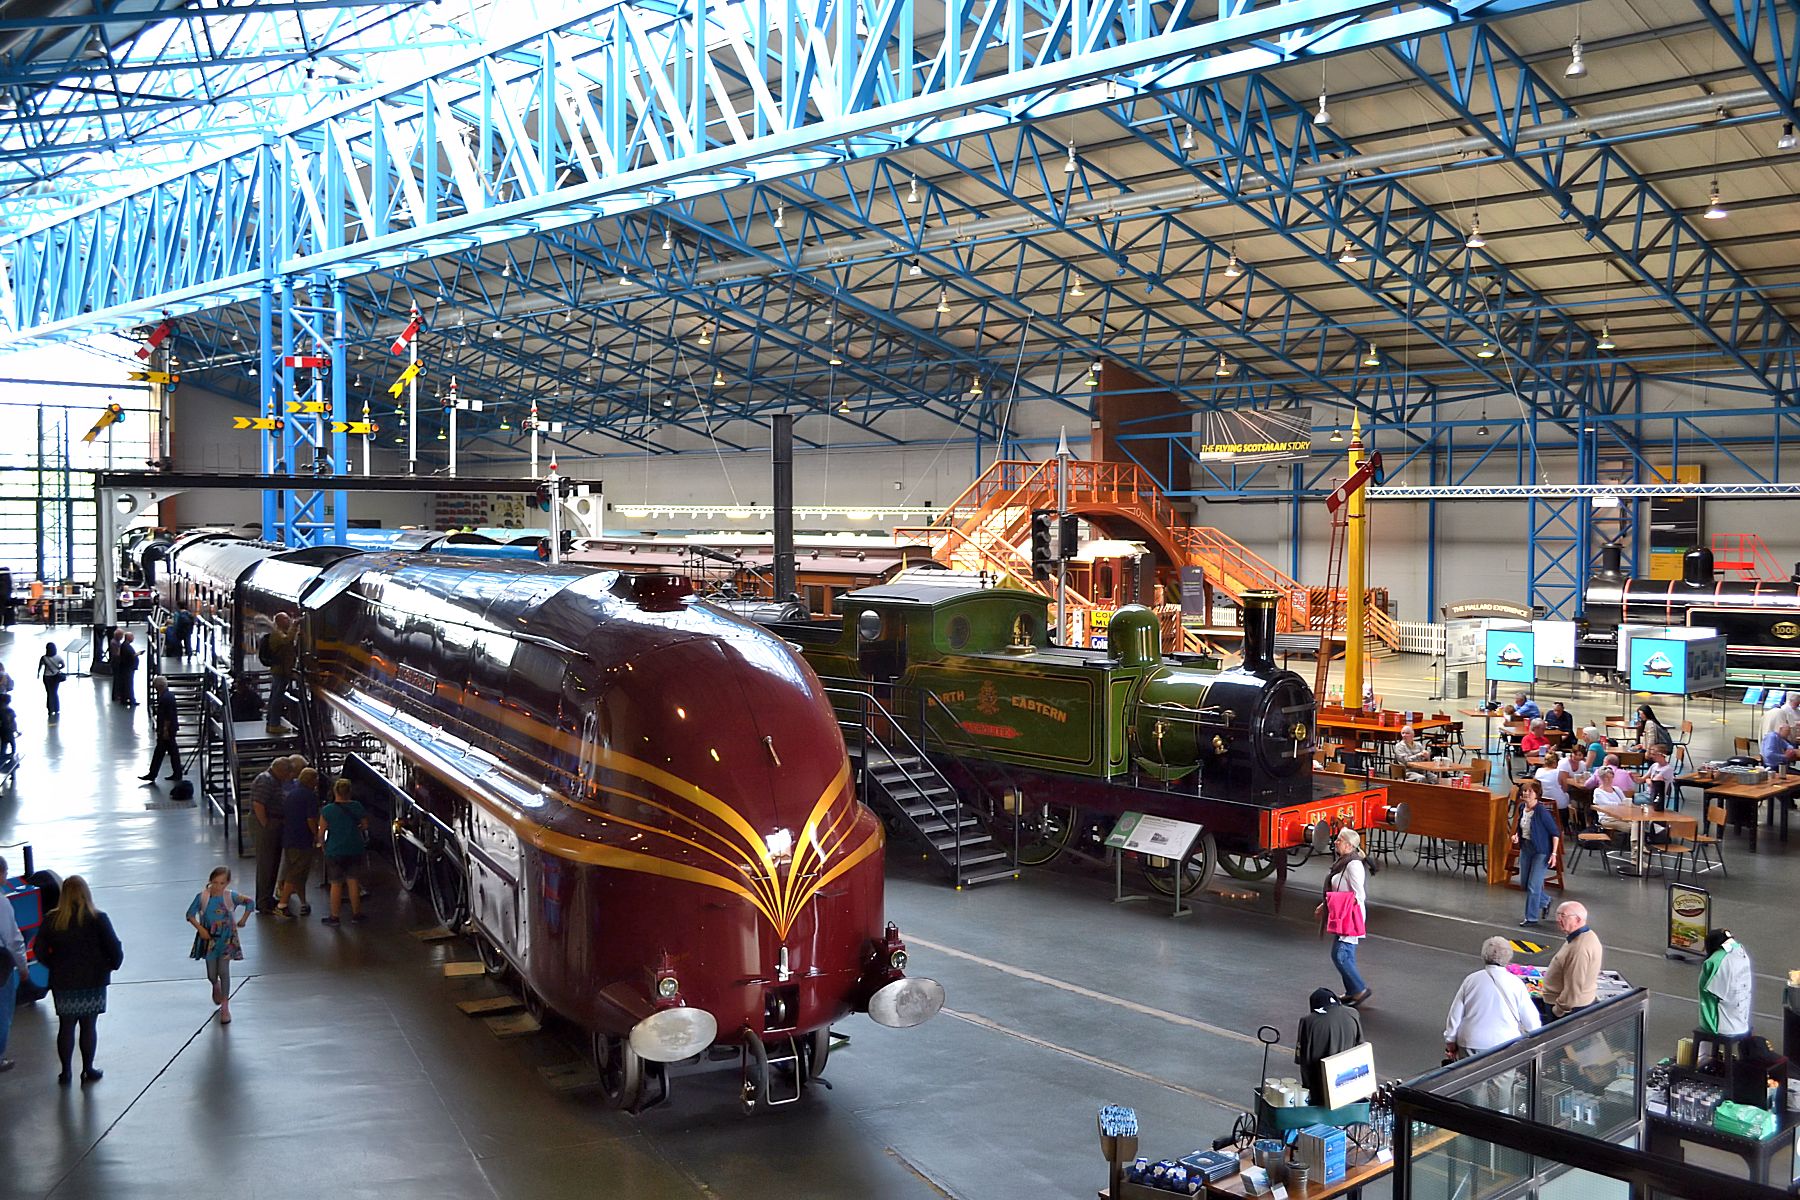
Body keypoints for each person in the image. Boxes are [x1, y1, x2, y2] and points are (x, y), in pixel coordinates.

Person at [33, 875, 124, 1085]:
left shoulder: (52, 920)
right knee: (88, 1025)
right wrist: (109, 966)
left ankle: (65, 1072)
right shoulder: (98, 918)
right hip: (93, 981)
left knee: (66, 1025)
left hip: (63, 981)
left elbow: (38, 950)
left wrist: (53, 965)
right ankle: (87, 1069)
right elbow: (114, 948)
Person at [1443, 937, 1541, 1060]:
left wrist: (1450, 1041)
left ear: (1484, 955)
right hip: (1506, 1044)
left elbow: (1455, 1015)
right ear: (1509, 957)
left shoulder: (1471, 980)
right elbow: (1532, 1021)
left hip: (1471, 1042)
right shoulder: (1516, 983)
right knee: (1503, 1078)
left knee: (1472, 1079)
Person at [186, 866, 253, 1024]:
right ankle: (215, 985)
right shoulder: (203, 897)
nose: (218, 886)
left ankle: (225, 1006)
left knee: (224, 971)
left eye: (222, 883)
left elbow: (250, 903)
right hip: (209, 938)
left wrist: (243, 919)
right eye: (215, 882)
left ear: (227, 883)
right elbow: (189, 914)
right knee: (211, 973)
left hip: (226, 939)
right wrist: (200, 929)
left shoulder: (230, 897)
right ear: (210, 881)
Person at [1316, 827, 1371, 1007]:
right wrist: (1326, 905)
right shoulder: (1345, 862)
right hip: (1344, 913)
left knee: (1339, 955)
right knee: (1347, 954)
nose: (1336, 842)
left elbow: (1359, 895)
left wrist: (1337, 905)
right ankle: (1352, 991)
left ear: (1348, 845)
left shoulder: (1353, 865)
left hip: (1349, 916)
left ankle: (1359, 989)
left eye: (1339, 839)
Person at [1295, 988, 1365, 1105]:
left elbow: (1304, 1061)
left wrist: (1307, 1090)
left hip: (1321, 1089)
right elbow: (1361, 1045)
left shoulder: (1308, 1022)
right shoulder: (1353, 1013)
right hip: (1351, 1084)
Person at [319, 778, 370, 926]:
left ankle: (335, 917)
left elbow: (321, 832)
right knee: (353, 881)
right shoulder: (357, 806)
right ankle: (357, 914)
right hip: (354, 847)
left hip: (334, 850)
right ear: (349, 792)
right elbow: (365, 825)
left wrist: (323, 845)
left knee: (336, 884)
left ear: (335, 791)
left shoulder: (327, 810)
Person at [1538, 901, 1602, 1019]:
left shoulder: (1579, 948)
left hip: (1568, 1009)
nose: (1558, 919)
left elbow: (1573, 988)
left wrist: (1558, 1010)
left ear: (1578, 919)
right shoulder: (1585, 936)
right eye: (1558, 915)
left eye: (1563, 915)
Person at [248, 756, 296, 913]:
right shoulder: (265, 780)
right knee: (266, 864)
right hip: (266, 825)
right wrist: (266, 824)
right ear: (282, 771)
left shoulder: (273, 780)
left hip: (273, 824)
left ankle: (267, 898)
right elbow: (258, 804)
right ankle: (263, 901)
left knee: (272, 863)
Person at [1513, 779, 1561, 926]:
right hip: (1526, 848)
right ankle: (1545, 901)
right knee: (1525, 884)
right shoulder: (1522, 808)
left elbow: (1555, 833)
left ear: (1537, 795)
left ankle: (1531, 918)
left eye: (1530, 791)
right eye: (1524, 791)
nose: (1526, 793)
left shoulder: (1541, 812)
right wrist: (1516, 835)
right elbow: (1522, 826)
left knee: (1534, 886)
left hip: (1541, 851)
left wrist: (1553, 854)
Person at [275, 767, 321, 918]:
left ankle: (303, 902)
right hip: (302, 840)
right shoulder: (310, 796)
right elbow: (310, 819)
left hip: (289, 838)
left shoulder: (291, 794)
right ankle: (282, 904)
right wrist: (317, 835)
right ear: (311, 781)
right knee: (296, 873)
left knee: (297, 871)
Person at [0, 854, 31, 1072]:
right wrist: (22, 966)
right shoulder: (1, 903)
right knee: (2, 1011)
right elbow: (11, 939)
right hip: (0, 966)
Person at [1698, 928, 1752, 1041]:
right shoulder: (1741, 951)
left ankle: (1705, 1055)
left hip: (1721, 1025)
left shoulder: (1715, 961)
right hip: (1742, 1020)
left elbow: (1707, 992)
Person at [140, 675, 184, 783]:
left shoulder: (165, 698)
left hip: (167, 730)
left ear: (159, 686)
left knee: (165, 752)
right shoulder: (168, 696)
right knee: (167, 752)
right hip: (169, 729)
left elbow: (167, 716)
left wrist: (164, 730)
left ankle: (154, 774)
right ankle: (173, 773)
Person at [264, 612, 299, 734]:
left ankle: (271, 722)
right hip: (280, 670)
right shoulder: (278, 634)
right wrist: (295, 626)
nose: (288, 620)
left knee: (275, 696)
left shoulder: (279, 632)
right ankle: (274, 724)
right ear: (279, 621)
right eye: (285, 618)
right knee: (277, 698)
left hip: (280, 670)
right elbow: (287, 640)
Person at [1533, 749, 1574, 815]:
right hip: (1558, 804)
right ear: (1555, 763)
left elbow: (1535, 786)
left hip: (1542, 802)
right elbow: (1565, 789)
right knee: (1568, 796)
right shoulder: (1560, 773)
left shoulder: (1538, 771)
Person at [37, 640, 65, 721]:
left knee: (49, 693)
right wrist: (57, 669)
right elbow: (63, 665)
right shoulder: (58, 657)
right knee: (55, 692)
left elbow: (40, 666)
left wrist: (38, 674)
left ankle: (50, 709)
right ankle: (56, 708)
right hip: (56, 676)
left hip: (47, 677)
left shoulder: (44, 658)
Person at [112, 631, 138, 708]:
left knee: (127, 684)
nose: (133, 638)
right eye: (132, 636)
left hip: (128, 668)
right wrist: (135, 656)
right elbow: (128, 656)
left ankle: (128, 699)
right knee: (128, 684)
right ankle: (129, 699)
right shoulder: (125, 646)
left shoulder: (125, 645)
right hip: (127, 668)